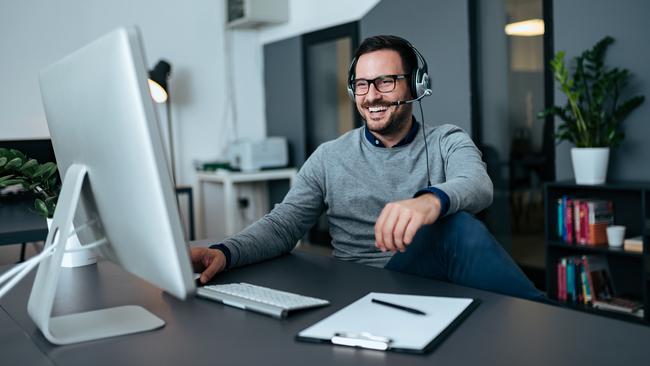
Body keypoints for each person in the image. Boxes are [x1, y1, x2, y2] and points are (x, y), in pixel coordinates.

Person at [192, 35, 544, 301]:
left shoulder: (446, 140)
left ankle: (547, 319)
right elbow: (283, 225)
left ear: (417, 85)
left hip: (430, 283)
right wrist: (224, 252)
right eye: (362, 84)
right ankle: (551, 317)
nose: (372, 95)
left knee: (456, 228)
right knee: (456, 229)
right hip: (358, 289)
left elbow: (477, 184)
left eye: (385, 82)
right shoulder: (329, 156)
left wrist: (429, 202)